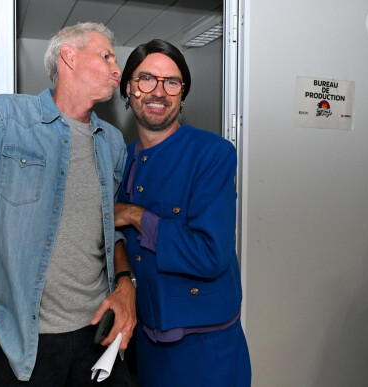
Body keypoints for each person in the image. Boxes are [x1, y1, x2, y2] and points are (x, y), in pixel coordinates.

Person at [0, 22, 136, 386]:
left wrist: (125, 282)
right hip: (22, 350)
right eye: (106, 56)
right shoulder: (2, 120)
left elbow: (105, 226)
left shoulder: (112, 142)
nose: (118, 69)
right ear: (69, 56)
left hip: (96, 337)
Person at [114, 39, 251, 386]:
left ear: (182, 94)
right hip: (146, 336)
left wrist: (133, 215)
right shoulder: (120, 158)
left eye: (171, 82)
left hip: (204, 344)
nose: (158, 91)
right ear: (128, 89)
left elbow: (209, 255)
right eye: (146, 79)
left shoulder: (213, 153)